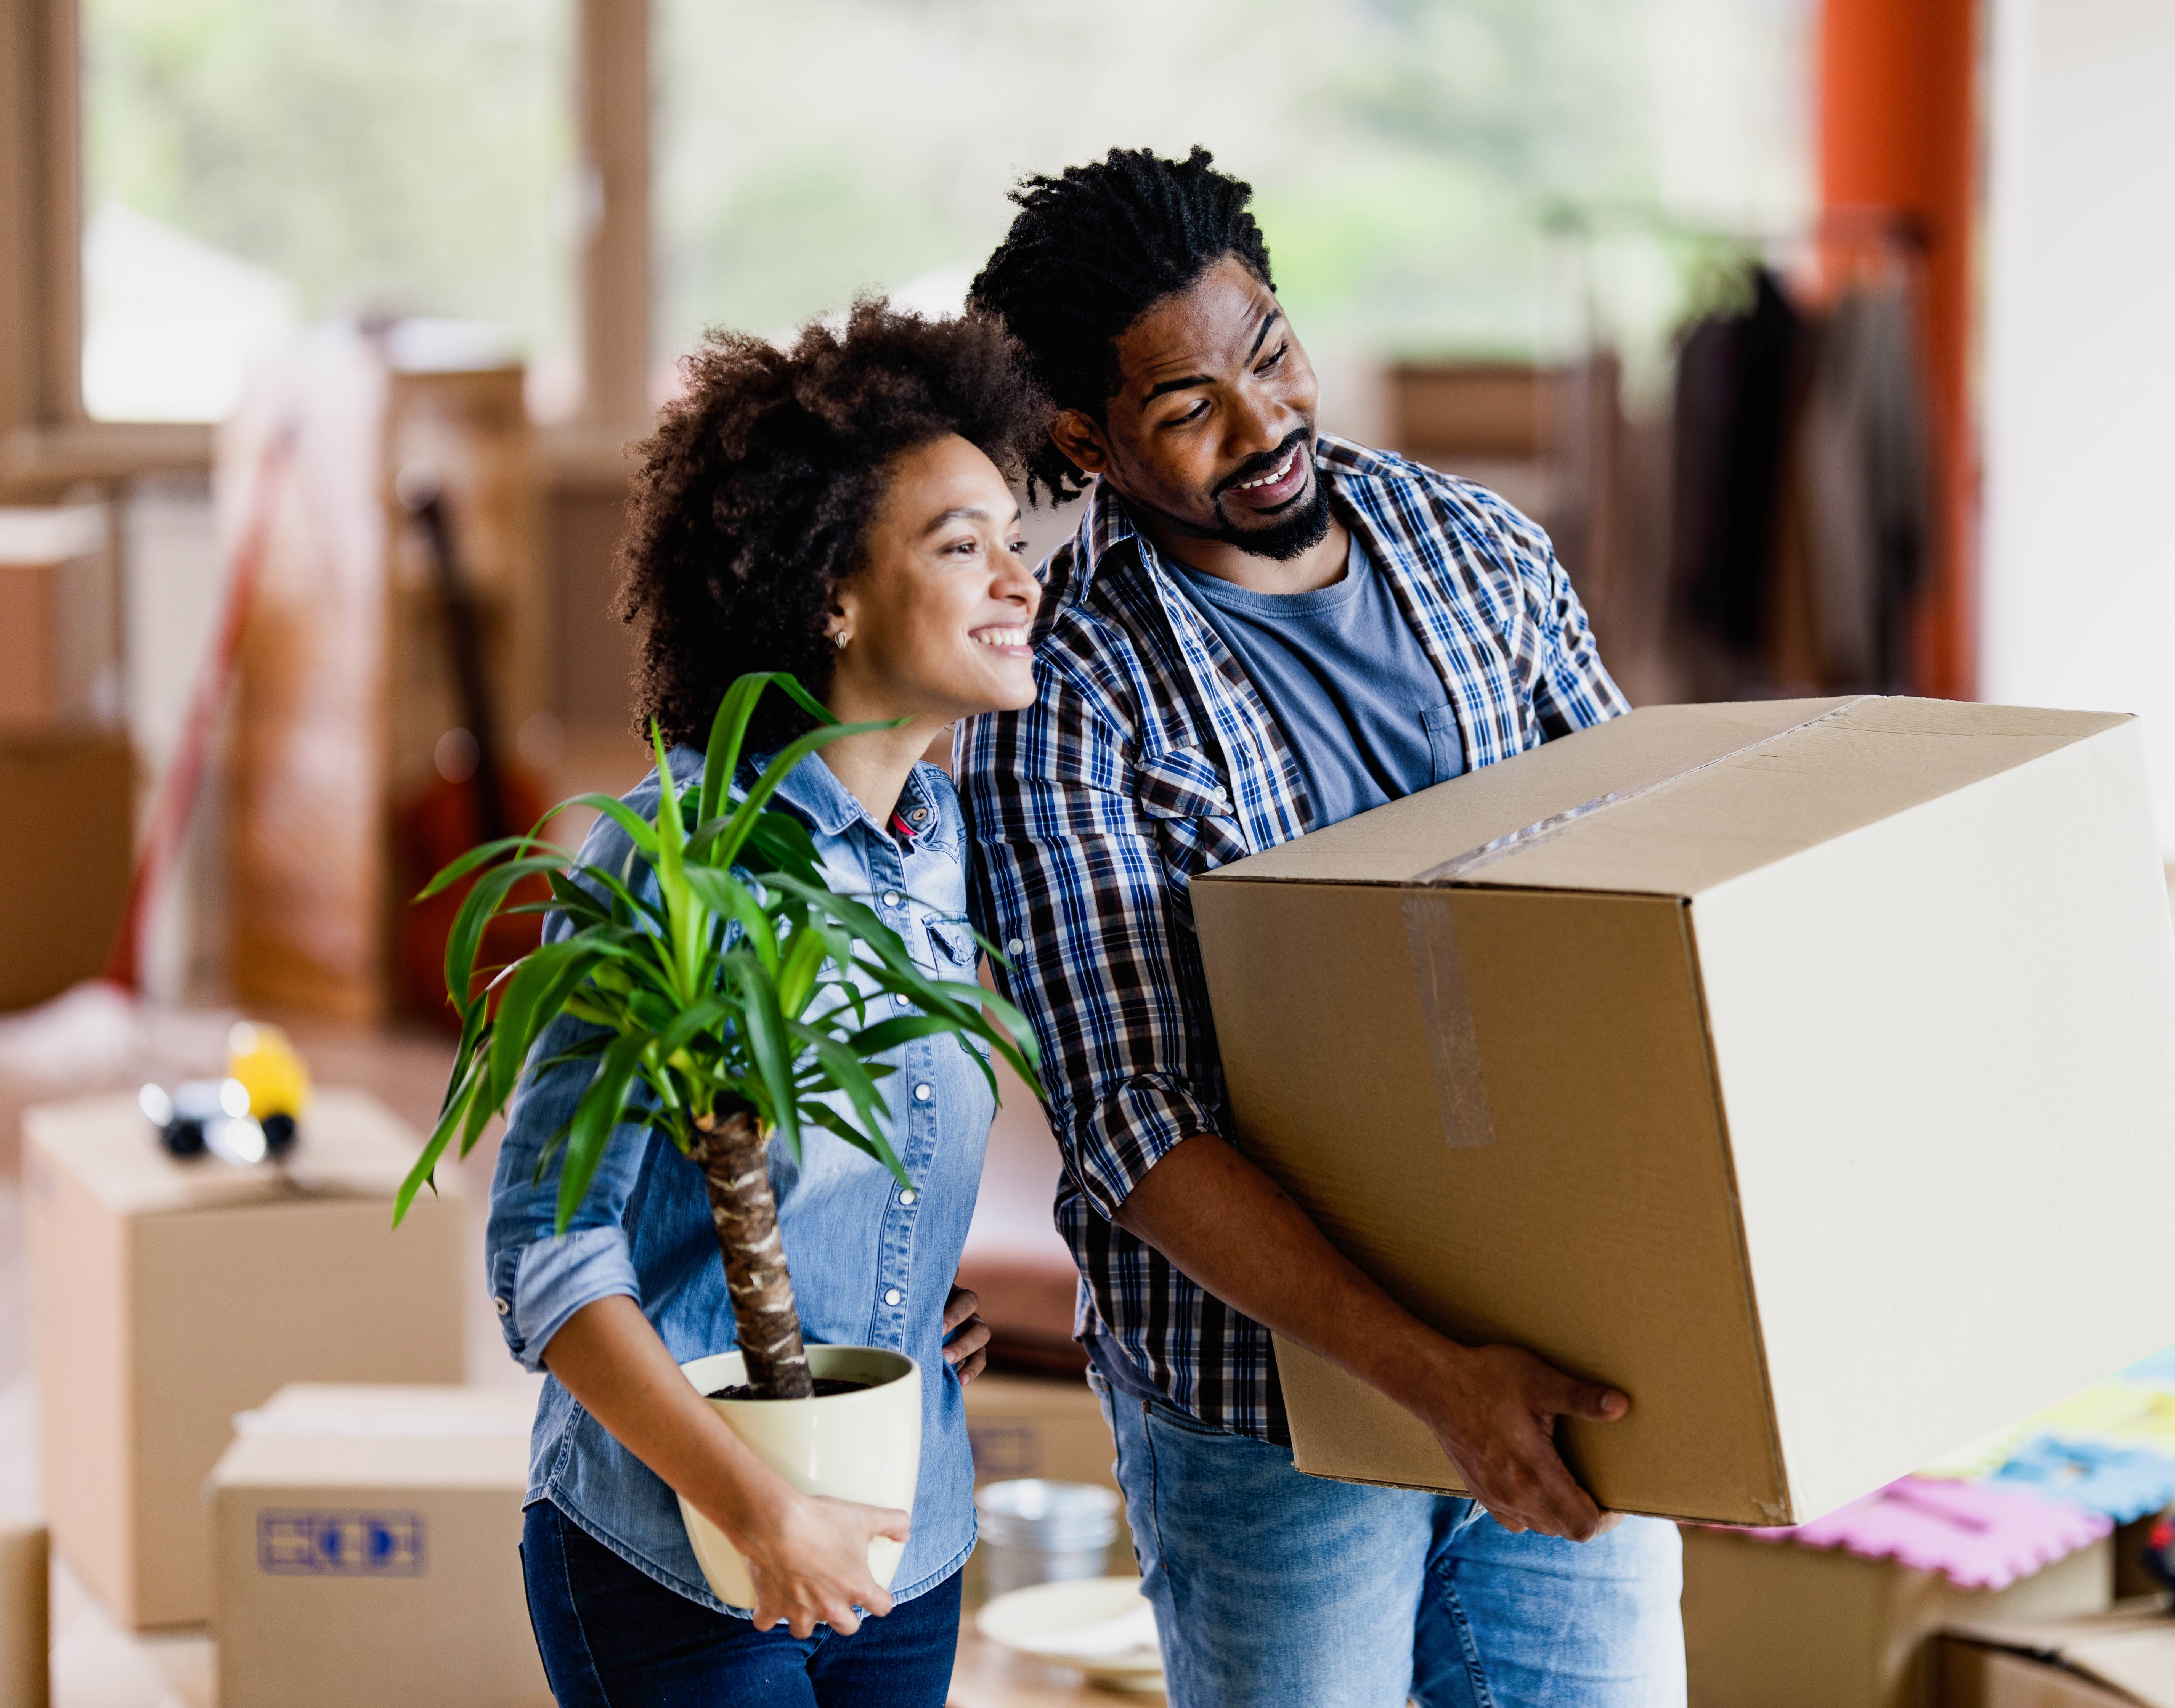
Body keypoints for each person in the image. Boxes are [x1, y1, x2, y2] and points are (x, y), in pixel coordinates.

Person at [958, 148, 1685, 1705]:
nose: (1268, 422)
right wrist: (1435, 1382)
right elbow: (1133, 1127)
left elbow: (1648, 908)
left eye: (1271, 352)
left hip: (1566, 1342)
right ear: (1084, 436)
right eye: (1188, 406)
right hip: (1266, 1411)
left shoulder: (1479, 553)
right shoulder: (1062, 699)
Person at [483, 301, 1051, 1706]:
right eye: (961, 545)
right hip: (680, 1547)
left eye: (1016, 544)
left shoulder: (942, 847)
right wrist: (759, 1510)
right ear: (831, 595)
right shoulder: (677, 859)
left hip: (902, 1533)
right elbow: (546, 1258)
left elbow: (847, 1154)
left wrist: (904, 1291)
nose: (1017, 583)